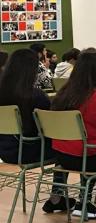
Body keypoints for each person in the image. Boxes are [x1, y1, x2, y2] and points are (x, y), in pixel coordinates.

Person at [51, 52, 96, 219]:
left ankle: (59, 197)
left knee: (88, 146)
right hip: (88, 158)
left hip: (62, 157)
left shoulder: (62, 94)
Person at [0, 49, 71, 213]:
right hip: (27, 149)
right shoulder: (35, 96)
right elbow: (52, 128)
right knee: (65, 148)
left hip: (5, 150)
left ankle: (58, 198)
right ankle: (57, 196)